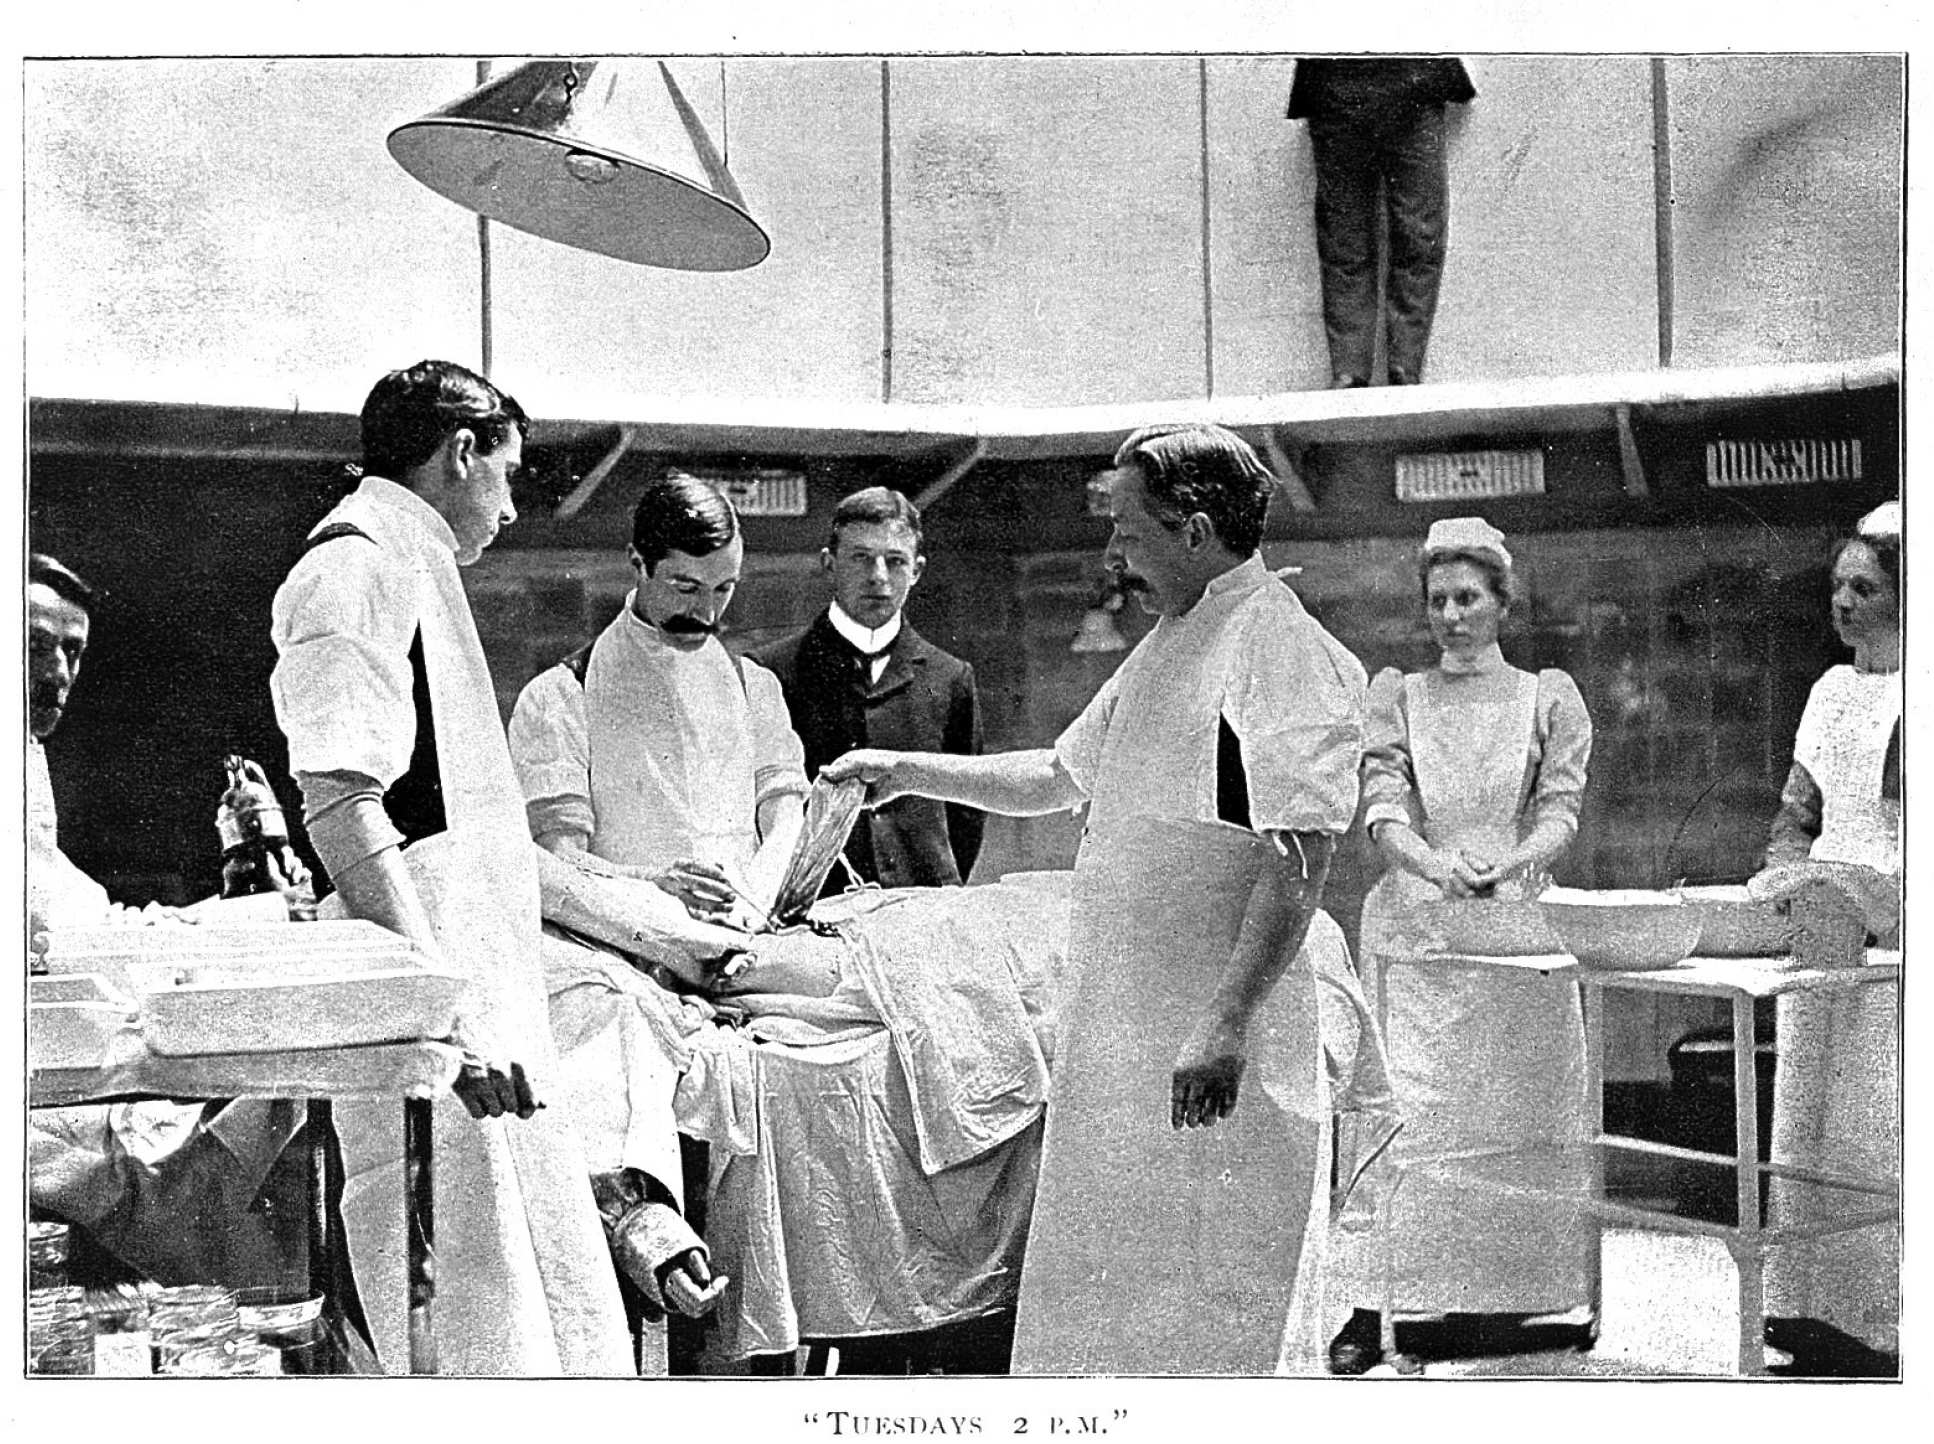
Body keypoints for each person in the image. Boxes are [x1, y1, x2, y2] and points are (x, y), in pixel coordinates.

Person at [827, 422, 1368, 1375]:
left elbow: (1301, 859)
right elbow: (1058, 777)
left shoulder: (1281, 647)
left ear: (1194, 531)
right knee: (1113, 1290)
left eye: (1127, 528)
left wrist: (1228, 1021)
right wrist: (903, 768)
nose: (1112, 553)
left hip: (1210, 1028)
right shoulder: (1173, 637)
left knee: (1218, 1297)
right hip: (1127, 1021)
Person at [509, 476, 1039, 1375]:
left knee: (918, 989)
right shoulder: (558, 696)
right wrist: (655, 885)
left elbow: (783, 814)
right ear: (636, 566)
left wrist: (756, 898)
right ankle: (646, 1223)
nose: (707, 609)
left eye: (724, 589)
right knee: (611, 1015)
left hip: (753, 924)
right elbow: (558, 857)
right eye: (685, 587)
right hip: (625, 925)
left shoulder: (754, 687)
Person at [268, 360, 633, 1375]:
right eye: (506, 474)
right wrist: (440, 1009)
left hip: (473, 976)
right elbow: (339, 803)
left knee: (524, 1287)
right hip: (425, 981)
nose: (512, 507)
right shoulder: (353, 566)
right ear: (460, 451)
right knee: (455, 1300)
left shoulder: (410, 558)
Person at [1325, 516, 1594, 1374]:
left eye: (1468, 596)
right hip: (1417, 928)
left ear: (1503, 603)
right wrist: (1433, 864)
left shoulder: (1549, 696)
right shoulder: (1396, 693)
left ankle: (1517, 1299)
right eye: (1437, 598)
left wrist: (1508, 863)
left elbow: (1559, 810)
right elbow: (1382, 807)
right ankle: (1376, 1304)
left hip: (1513, 926)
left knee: (1513, 1112)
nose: (1450, 613)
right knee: (1405, 1114)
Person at [28, 553, 311, 1292]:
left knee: (289, 1095)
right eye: (33, 645)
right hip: (42, 1112)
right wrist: (268, 912)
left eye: (73, 651)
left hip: (72, 1076)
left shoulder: (23, 758)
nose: (57, 671)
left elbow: (92, 923)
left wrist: (252, 875)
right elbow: (75, 946)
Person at [1749, 501, 1900, 1378]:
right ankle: (1799, 1310)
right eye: (1837, 585)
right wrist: (1781, 876)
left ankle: (1878, 1329)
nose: (1842, 602)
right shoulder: (1829, 691)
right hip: (1820, 929)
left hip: (1893, 936)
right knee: (1801, 1120)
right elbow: (1797, 815)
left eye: (1865, 587)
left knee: (1870, 1124)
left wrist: (1851, 892)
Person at [751, 486, 984, 890]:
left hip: (924, 908)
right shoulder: (771, 671)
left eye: (895, 561)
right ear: (829, 564)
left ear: (916, 570)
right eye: (861, 558)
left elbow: (967, 811)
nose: (878, 576)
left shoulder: (951, 677)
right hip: (815, 911)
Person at [1286, 57, 1475, 388]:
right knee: (1346, 240)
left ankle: (1401, 367)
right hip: (1339, 87)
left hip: (1413, 83)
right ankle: (1352, 369)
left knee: (1416, 237)